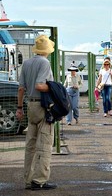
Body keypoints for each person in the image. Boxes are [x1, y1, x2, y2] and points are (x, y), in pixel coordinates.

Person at [16, 35, 57, 190]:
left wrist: (19, 108)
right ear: (47, 50)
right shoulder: (44, 62)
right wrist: (55, 88)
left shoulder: (26, 63)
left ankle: (28, 179)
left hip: (30, 106)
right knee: (45, 143)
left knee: (30, 145)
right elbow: (40, 85)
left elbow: (21, 88)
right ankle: (39, 180)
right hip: (43, 106)